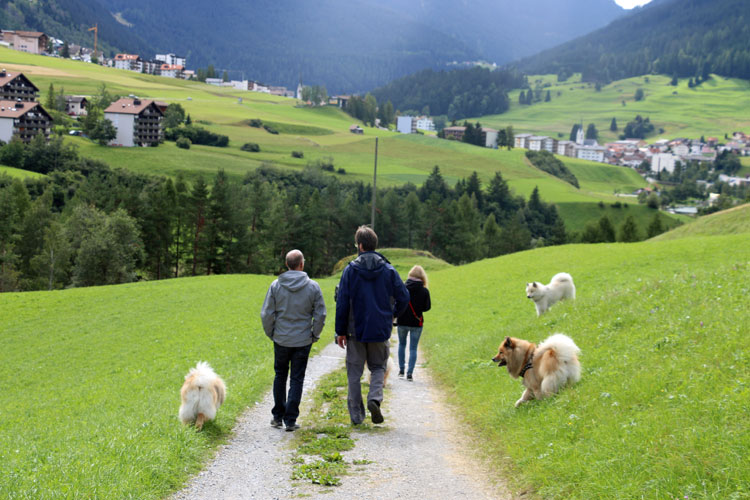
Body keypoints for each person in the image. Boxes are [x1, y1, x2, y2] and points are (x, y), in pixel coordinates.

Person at [335, 226, 409, 425]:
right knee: (378, 367)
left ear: (360, 246)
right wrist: (392, 316)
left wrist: (340, 331)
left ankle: (357, 416)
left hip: (354, 330)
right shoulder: (388, 270)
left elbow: (342, 302)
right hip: (380, 329)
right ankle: (375, 398)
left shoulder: (350, 270)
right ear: (374, 245)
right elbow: (404, 297)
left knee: (354, 372)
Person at [261, 249, 326, 432]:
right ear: (302, 264)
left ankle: (277, 416)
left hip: (281, 338)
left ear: (286, 265)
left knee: (280, 375)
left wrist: (271, 333)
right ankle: (290, 419)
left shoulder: (276, 285)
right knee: (297, 378)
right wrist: (315, 334)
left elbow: (266, 313)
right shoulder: (313, 286)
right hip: (303, 340)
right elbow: (320, 314)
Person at [396, 265, 431, 381]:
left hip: (402, 321)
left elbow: (397, 303)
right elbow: (427, 307)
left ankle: (401, 370)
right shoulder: (424, 291)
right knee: (413, 348)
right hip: (417, 322)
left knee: (401, 345)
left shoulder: (403, 288)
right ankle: (410, 373)